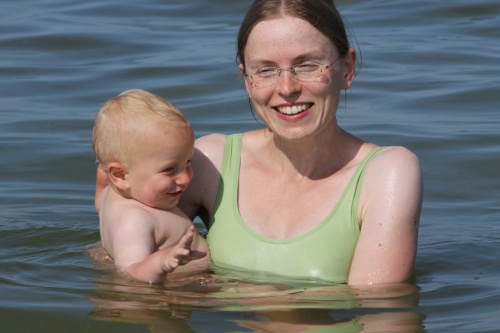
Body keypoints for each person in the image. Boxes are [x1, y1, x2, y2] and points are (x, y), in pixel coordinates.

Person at [96, 0, 422, 286]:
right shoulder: (211, 162)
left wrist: (237, 293)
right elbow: (119, 217)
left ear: (348, 68)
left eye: (307, 64)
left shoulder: (385, 174)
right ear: (246, 80)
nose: (287, 87)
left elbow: (382, 315)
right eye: (265, 70)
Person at [92, 89, 208, 283]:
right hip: (182, 290)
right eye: (170, 169)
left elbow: (102, 183)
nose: (186, 178)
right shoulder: (134, 220)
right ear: (120, 175)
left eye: (188, 162)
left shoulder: (109, 192)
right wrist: (162, 262)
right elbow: (130, 273)